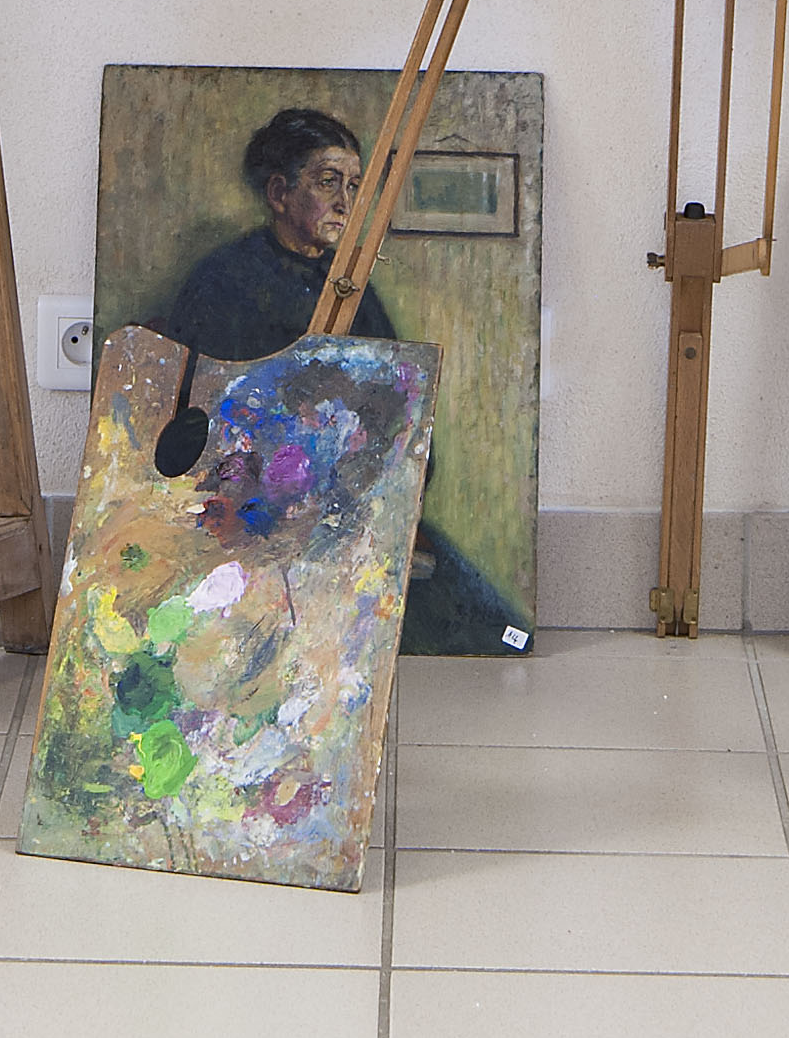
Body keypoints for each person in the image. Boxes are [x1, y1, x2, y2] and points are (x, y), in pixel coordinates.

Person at [153, 107, 527, 653]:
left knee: (489, 627)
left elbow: (401, 407)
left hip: (349, 509)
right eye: (328, 182)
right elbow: (198, 420)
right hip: (247, 512)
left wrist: (388, 485)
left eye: (353, 186)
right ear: (279, 193)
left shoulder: (350, 287)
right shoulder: (226, 281)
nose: (346, 203)